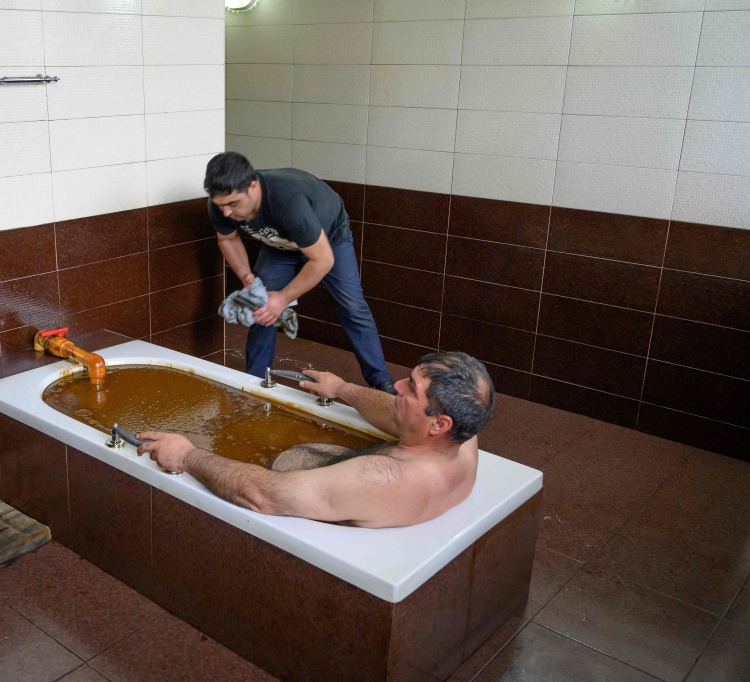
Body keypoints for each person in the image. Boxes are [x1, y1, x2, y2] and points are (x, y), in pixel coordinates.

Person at [136, 352, 495, 529]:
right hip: (346, 488)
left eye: (411, 388)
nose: (397, 386)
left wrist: (187, 456)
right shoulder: (462, 438)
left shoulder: (383, 478)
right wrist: (341, 389)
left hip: (297, 501)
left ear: (438, 423)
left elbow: (266, 497)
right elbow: (393, 412)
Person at [205, 152, 396, 394]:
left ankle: (382, 383)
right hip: (280, 246)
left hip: (328, 241)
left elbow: (323, 260)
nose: (226, 213)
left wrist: (282, 299)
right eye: (221, 205)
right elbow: (228, 239)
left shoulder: (288, 200)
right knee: (262, 307)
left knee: (352, 306)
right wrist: (248, 278)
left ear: (252, 186)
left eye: (233, 204)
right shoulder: (221, 205)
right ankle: (253, 382)